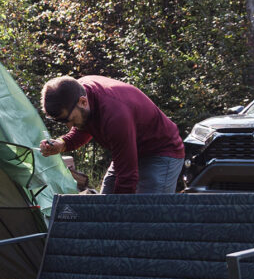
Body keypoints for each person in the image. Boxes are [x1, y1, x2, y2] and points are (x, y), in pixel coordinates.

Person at [38, 75, 184, 194]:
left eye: (68, 120)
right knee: (105, 204)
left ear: (83, 102)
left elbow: (127, 177)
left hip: (161, 151)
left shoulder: (115, 115)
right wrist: (62, 144)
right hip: (128, 148)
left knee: (148, 216)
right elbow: (84, 127)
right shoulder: (78, 93)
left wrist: (118, 213)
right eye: (62, 121)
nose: (69, 126)